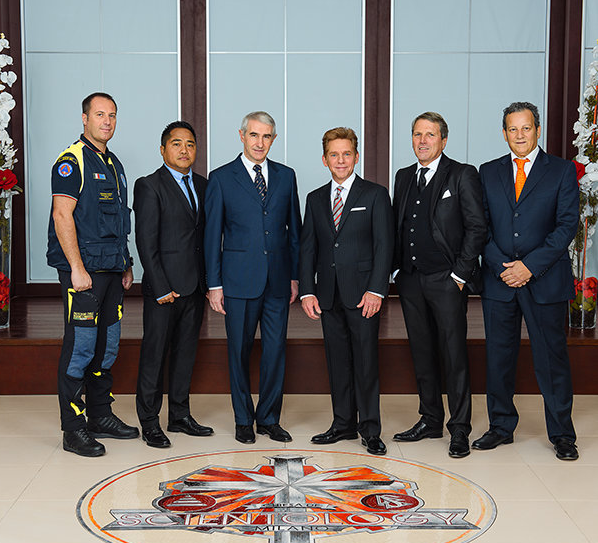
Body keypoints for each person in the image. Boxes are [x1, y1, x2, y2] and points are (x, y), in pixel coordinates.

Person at [473, 102, 579, 461]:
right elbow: (480, 226)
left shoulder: (561, 171)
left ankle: (562, 434)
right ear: (504, 133)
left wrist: (529, 267)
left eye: (526, 128)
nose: (520, 135)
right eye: (512, 129)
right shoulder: (488, 172)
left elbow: (566, 225)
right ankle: (501, 427)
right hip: (499, 279)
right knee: (499, 358)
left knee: (551, 359)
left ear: (538, 130)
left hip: (545, 280)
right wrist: (503, 265)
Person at [47, 92, 138, 457]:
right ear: (84, 118)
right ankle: (73, 429)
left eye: (112, 115)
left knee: (107, 347)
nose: (107, 121)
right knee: (81, 348)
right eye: (100, 114)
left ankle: (101, 416)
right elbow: (62, 215)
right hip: (84, 273)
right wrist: (76, 268)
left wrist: (126, 263)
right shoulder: (72, 161)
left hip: (112, 270)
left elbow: (118, 220)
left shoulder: (114, 163)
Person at [392, 112, 487, 458]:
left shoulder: (462, 174)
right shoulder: (403, 176)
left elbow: (477, 227)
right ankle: (430, 419)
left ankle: (459, 428)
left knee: (453, 354)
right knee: (422, 352)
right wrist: (395, 271)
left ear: (443, 140)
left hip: (447, 280)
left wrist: (460, 275)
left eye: (430, 134)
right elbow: (398, 225)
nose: (422, 141)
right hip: (410, 280)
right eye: (417, 134)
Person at [204, 111, 301, 444]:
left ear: (273, 139)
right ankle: (243, 419)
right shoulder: (221, 178)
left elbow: (295, 231)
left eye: (267, 136)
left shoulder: (286, 176)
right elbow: (212, 235)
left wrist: (295, 276)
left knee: (275, 351)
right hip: (237, 281)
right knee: (239, 351)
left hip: (278, 281)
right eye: (254, 135)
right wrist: (214, 284)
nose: (260, 142)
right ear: (242, 135)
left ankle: (269, 418)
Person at [300, 127, 393, 455]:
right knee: (337, 361)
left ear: (356, 157)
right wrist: (307, 291)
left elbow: (384, 246)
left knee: (365, 362)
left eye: (347, 154)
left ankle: (370, 429)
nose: (341, 160)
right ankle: (342, 424)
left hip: (363, 295)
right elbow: (307, 249)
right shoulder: (314, 199)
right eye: (334, 155)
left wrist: (377, 290)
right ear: (324, 159)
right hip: (328, 295)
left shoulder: (375, 195)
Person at [133, 121, 213, 448]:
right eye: (177, 144)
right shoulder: (149, 185)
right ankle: (149, 422)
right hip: (163, 289)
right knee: (155, 355)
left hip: (194, 287)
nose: (184, 150)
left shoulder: (204, 185)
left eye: (190, 144)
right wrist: (160, 285)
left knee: (185, 354)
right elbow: (145, 241)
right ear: (163, 149)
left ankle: (179, 415)